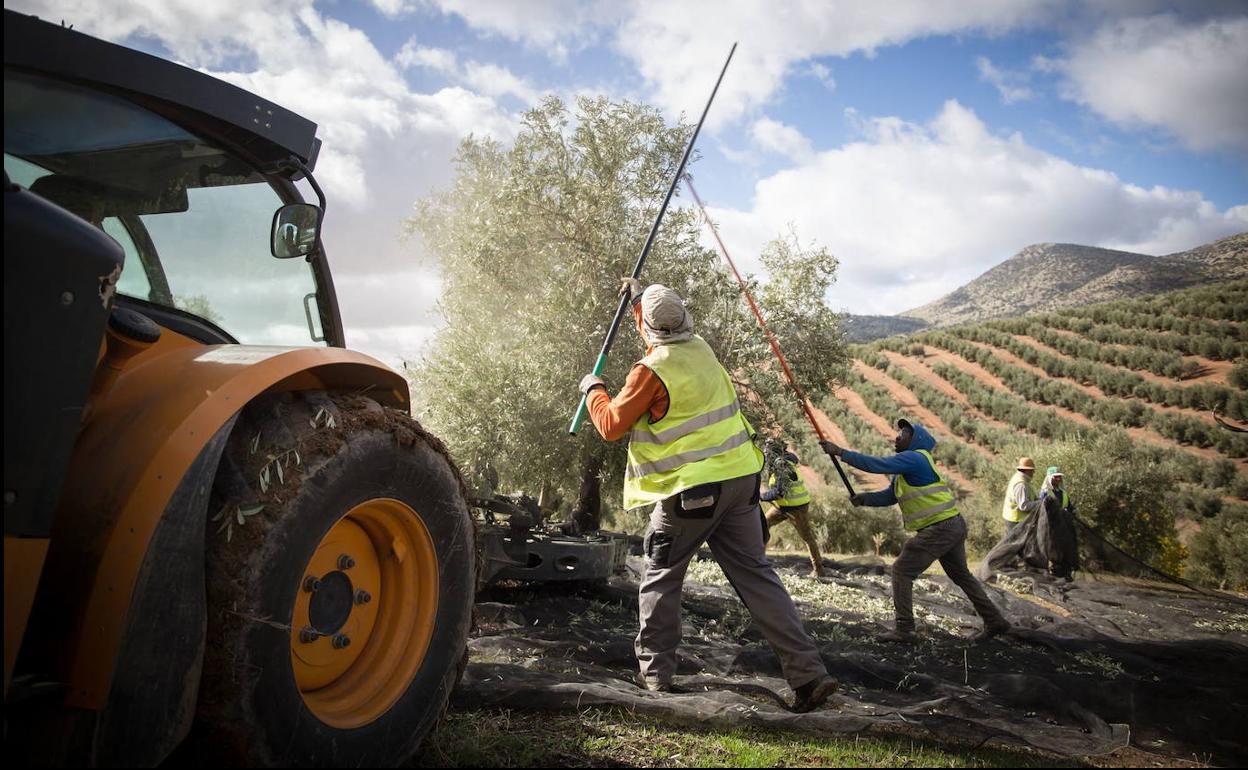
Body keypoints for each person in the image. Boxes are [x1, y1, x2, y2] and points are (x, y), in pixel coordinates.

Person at [578, 279, 838, 712]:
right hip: (741, 482)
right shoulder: (701, 347)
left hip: (693, 493)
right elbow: (663, 322)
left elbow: (610, 426)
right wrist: (639, 296)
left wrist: (592, 389)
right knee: (757, 577)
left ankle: (655, 679)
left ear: (648, 327)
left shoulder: (650, 370)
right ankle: (810, 676)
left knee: (662, 574)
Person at [820, 419, 1010, 643]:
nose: (897, 437)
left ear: (915, 439)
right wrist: (864, 499)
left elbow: (878, 464)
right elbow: (890, 496)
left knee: (901, 570)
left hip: (940, 527)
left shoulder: (915, 457)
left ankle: (904, 629)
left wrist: (841, 452)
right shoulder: (906, 469)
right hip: (952, 525)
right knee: (962, 576)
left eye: (903, 434)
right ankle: (995, 621)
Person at [760, 439, 826, 577]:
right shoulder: (781, 463)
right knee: (763, 524)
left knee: (807, 536)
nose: (766, 455)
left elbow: (778, 492)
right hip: (783, 505)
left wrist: (760, 496)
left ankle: (818, 569)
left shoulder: (782, 467)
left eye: (768, 453)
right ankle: (759, 561)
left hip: (797, 508)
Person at [1038, 467, 1079, 581]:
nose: (1059, 479)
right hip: (1051, 530)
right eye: (1056, 477)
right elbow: (1043, 511)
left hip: (1064, 530)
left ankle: (1065, 574)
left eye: (1059, 477)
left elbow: (1069, 507)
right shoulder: (1045, 493)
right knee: (1053, 553)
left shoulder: (1063, 493)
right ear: (1050, 478)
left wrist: (1073, 511)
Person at [1002, 457, 1042, 534]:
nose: (1033, 472)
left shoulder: (1020, 479)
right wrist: (1040, 503)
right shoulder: (1021, 484)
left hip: (1015, 520)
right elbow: (1024, 506)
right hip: (1015, 521)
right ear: (1027, 470)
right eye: (1032, 470)